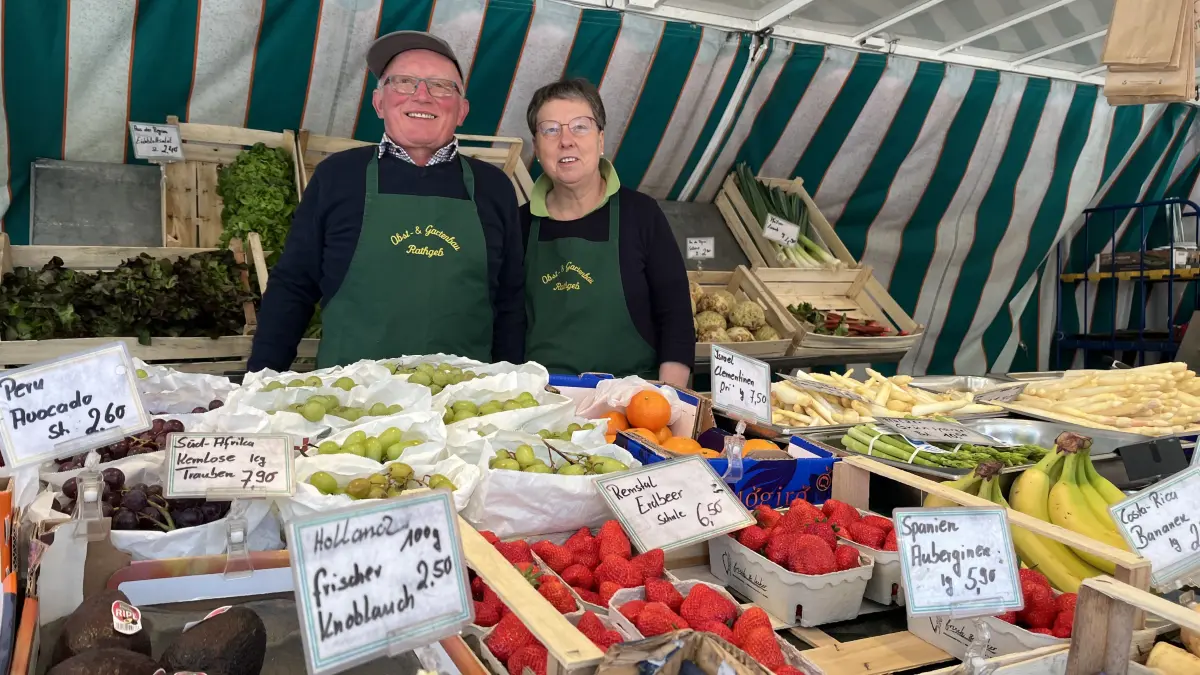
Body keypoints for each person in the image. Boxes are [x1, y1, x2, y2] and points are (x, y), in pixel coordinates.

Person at [248, 31, 524, 372]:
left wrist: (512, 383)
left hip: (462, 407)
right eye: (404, 82)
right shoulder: (338, 176)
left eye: (440, 86)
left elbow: (510, 301)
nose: (422, 96)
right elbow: (293, 286)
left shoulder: (493, 187)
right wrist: (260, 377)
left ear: (462, 110)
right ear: (379, 102)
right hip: (349, 405)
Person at [521, 78, 694, 387]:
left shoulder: (641, 214)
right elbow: (508, 322)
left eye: (580, 126)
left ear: (601, 140)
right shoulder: (520, 224)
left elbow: (675, 314)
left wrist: (669, 398)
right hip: (543, 401)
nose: (566, 140)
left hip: (633, 401)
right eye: (550, 129)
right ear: (536, 147)